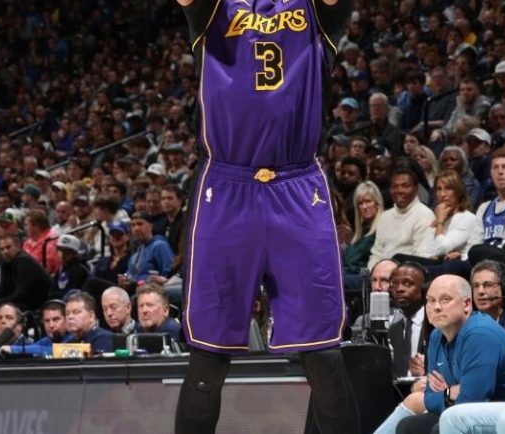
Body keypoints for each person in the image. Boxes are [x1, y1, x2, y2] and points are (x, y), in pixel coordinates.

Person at [175, 1, 360, 434]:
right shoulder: (214, 7)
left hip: (297, 187)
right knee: (208, 357)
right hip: (227, 186)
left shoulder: (314, 9)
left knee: (324, 354)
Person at [374, 275, 505, 434]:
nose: (435, 307)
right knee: (410, 426)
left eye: (445, 299)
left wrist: (447, 392)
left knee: (444, 424)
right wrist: (451, 392)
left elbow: (470, 402)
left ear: (467, 304)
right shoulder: (437, 335)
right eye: (430, 300)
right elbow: (429, 394)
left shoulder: (480, 333)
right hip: (486, 409)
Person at [369, 169, 435, 268]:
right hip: (379, 272)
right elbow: (376, 254)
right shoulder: (384, 216)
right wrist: (370, 273)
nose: (399, 190)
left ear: (416, 189)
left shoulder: (425, 215)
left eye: (405, 186)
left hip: (405, 272)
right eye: (395, 186)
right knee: (355, 276)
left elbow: (421, 257)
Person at [387, 262, 429, 377]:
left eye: (407, 283)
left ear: (424, 288)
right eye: (394, 284)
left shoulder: (435, 326)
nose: (399, 289)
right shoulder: (393, 330)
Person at [0, 235, 52, 312]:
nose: (5, 252)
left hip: (38, 303)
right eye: (2, 249)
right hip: (23, 301)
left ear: (18, 246)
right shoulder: (5, 264)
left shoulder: (24, 261)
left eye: (8, 247)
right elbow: (2, 290)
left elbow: (22, 293)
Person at [343, 181, 384, 290]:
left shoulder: (382, 228)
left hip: (366, 277)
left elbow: (374, 264)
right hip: (349, 275)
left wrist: (357, 273)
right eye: (360, 203)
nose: (364, 207)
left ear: (377, 203)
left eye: (368, 201)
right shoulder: (360, 231)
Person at [2, 299, 71, 356]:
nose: (51, 325)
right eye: (47, 321)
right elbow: (32, 348)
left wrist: (12, 349)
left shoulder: (73, 338)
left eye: (56, 319)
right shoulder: (46, 341)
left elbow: (56, 351)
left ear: (66, 320)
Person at [50, 234, 90, 299]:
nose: (63, 255)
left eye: (67, 252)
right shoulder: (62, 267)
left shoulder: (80, 269)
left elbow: (71, 292)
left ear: (75, 253)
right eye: (60, 250)